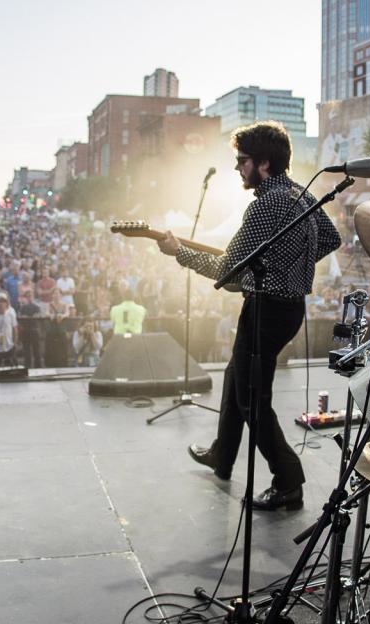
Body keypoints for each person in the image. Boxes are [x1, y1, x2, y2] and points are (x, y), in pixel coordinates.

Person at [154, 121, 341, 510]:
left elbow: (226, 270)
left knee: (252, 400)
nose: (238, 169)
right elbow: (330, 238)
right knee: (234, 379)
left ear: (264, 164)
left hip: (266, 311)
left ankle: (288, 480)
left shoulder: (265, 205)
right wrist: (293, 265)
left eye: (242, 161)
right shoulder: (301, 196)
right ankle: (223, 456)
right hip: (288, 309)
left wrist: (178, 253)